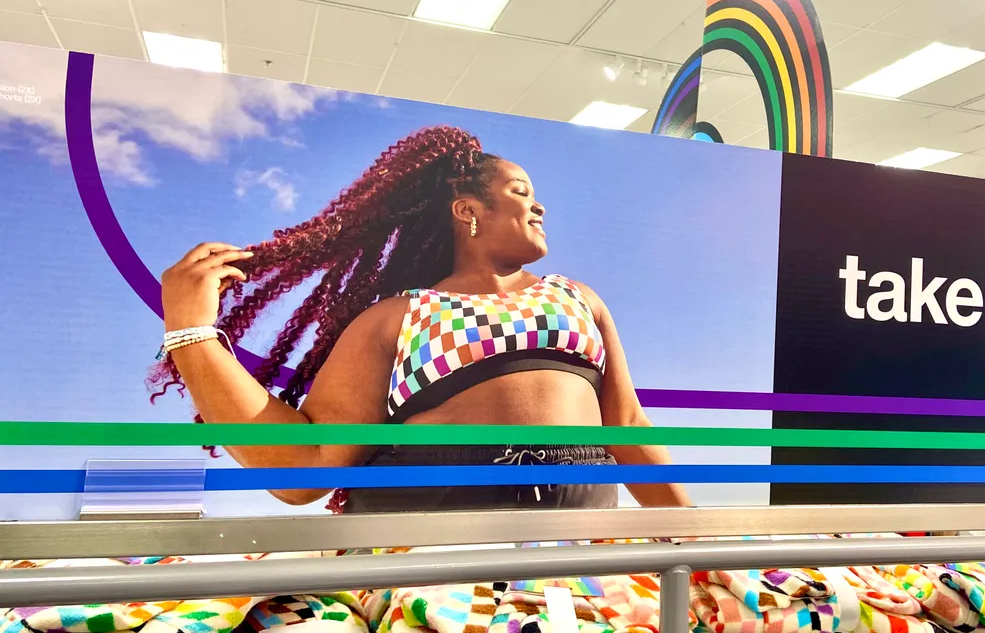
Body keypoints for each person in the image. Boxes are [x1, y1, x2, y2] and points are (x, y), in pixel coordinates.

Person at [150, 125, 691, 514]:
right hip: (431, 568)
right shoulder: (396, 318)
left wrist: (699, 541)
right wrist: (190, 333)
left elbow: (627, 428)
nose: (539, 207)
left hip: (576, 569)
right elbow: (305, 465)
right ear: (468, 211)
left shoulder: (580, 300)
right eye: (520, 192)